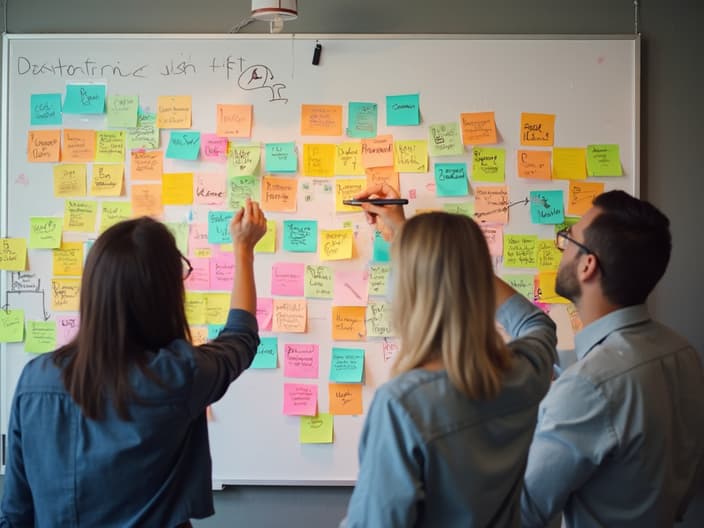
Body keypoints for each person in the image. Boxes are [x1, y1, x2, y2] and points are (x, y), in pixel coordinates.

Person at [0, 199, 268, 527]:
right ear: (165, 295)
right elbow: (240, 338)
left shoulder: (34, 380)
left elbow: (14, 513)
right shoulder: (177, 375)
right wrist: (243, 250)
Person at [343, 183, 558, 527]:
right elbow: (537, 324)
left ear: (409, 291)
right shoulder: (524, 371)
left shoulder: (403, 404)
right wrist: (453, 258)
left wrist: (418, 243)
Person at [520, 190, 704, 527]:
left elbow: (525, 511)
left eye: (568, 239)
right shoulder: (682, 352)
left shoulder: (589, 387)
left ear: (588, 264)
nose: (561, 248)